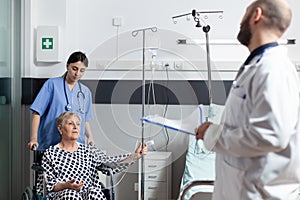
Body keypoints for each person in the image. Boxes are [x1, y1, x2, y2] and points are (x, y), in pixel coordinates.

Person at [195, 0, 300, 199]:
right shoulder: (257, 66)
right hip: (243, 188)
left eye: (245, 14)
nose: (240, 23)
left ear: (256, 15)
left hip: (258, 192)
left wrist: (213, 135)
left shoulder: (273, 69)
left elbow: (271, 134)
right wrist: (215, 129)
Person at [37, 111, 147, 199]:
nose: (75, 127)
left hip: (87, 194)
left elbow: (110, 163)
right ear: (60, 129)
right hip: (61, 195)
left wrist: (135, 156)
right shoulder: (51, 154)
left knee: (95, 191)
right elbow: (48, 186)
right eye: (70, 123)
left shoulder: (88, 150)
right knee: (71, 194)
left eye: (78, 124)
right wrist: (67, 185)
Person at [28, 51, 95, 150]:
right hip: (51, 142)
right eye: (74, 69)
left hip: (75, 146)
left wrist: (90, 137)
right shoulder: (52, 85)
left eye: (82, 70)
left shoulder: (85, 92)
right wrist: (34, 138)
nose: (77, 74)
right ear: (67, 66)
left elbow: (84, 119)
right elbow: (37, 113)